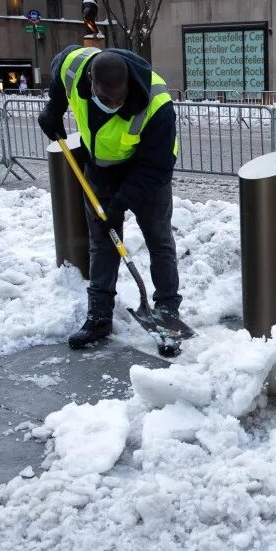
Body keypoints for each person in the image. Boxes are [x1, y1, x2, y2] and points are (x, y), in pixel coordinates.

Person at [37, 46, 179, 354]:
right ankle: (99, 315)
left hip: (146, 173)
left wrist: (120, 205)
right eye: (106, 98)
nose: (114, 104)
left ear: (128, 83)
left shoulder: (157, 104)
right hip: (100, 170)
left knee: (159, 239)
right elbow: (60, 65)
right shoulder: (76, 67)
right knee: (102, 241)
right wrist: (54, 106)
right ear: (91, 82)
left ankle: (168, 312)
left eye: (120, 99)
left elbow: (157, 166)